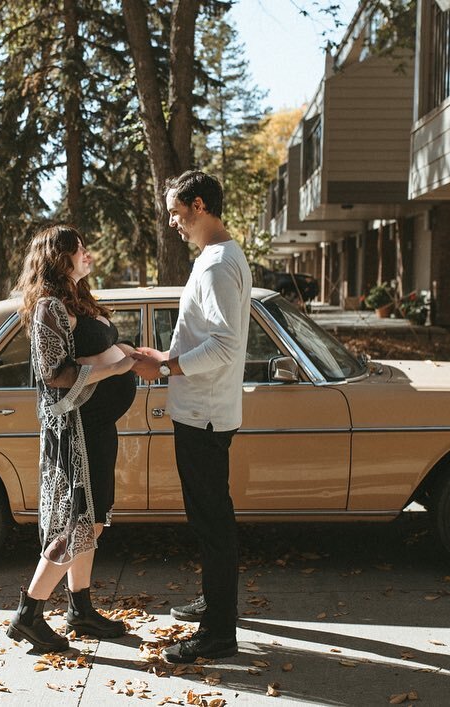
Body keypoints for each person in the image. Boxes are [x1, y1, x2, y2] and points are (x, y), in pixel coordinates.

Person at [131, 170, 251, 663]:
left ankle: (219, 633)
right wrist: (166, 359)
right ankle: (214, 602)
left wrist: (166, 366)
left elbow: (224, 343)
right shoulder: (220, 257)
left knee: (212, 522)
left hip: (202, 413)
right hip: (203, 407)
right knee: (209, 520)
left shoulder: (219, 265)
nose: (174, 224)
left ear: (199, 205)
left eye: (177, 213)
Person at [7, 224, 138, 653]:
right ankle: (28, 613)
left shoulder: (78, 300)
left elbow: (99, 351)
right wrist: (112, 368)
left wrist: (132, 357)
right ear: (57, 258)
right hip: (74, 433)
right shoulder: (48, 308)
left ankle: (80, 608)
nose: (88, 255)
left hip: (98, 428)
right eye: (79, 250)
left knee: (93, 519)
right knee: (78, 521)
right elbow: (55, 374)